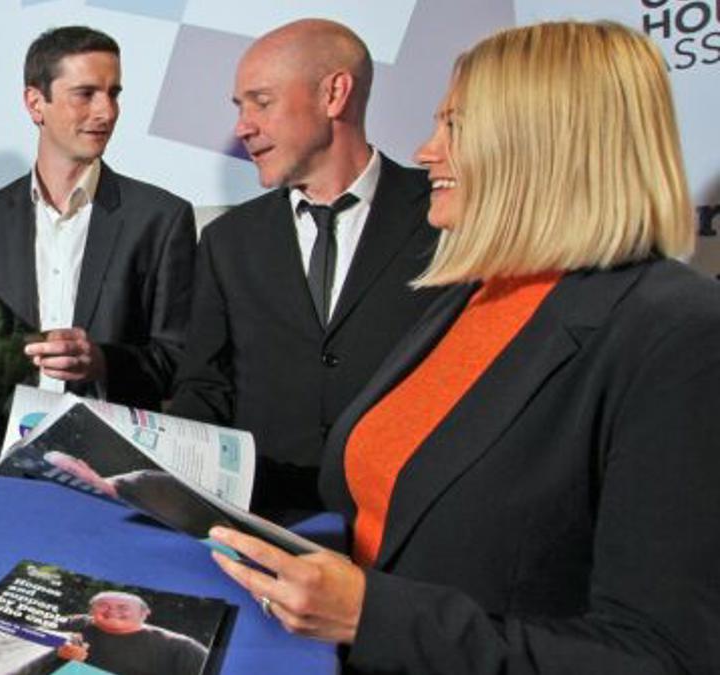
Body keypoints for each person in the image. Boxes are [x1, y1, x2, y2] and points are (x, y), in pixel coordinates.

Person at [208, 21, 720, 673]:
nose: (426, 151)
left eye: (455, 126)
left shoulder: (679, 332)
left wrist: (373, 616)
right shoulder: (475, 293)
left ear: (543, 142)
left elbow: (663, 656)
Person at [168, 19, 444, 516]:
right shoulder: (228, 242)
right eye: (240, 106)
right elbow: (205, 388)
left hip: (406, 531)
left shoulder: (442, 220)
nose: (242, 126)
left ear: (334, 94)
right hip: (268, 530)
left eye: (262, 101)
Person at [0, 26, 196, 465]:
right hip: (5, 469)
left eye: (114, 93)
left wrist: (102, 362)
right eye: (86, 93)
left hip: (114, 472)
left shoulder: (161, 218)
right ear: (36, 103)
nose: (106, 111)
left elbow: (181, 362)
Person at [56, 591, 207, 675]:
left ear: (145, 614)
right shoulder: (75, 625)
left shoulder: (182, 648)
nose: (112, 611)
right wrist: (58, 653)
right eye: (103, 605)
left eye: (123, 607)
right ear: (91, 610)